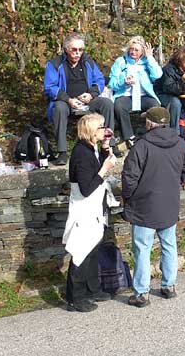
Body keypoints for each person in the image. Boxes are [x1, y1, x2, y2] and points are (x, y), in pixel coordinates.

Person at [122, 107, 185, 307]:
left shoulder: (141, 146)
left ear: (149, 123)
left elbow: (130, 177)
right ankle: (169, 286)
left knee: (143, 249)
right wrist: (176, 182)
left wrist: (128, 197)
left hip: (144, 204)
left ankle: (141, 293)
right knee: (169, 245)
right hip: (169, 202)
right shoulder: (179, 143)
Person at [62, 113, 117, 312]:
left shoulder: (92, 148)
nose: (105, 129)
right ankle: (75, 297)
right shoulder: (81, 154)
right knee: (81, 251)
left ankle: (93, 288)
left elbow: (98, 169)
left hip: (95, 207)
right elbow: (87, 187)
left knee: (93, 249)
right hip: (84, 208)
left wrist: (104, 150)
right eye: (101, 127)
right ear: (91, 131)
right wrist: (104, 169)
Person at [44, 33, 120, 166]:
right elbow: (49, 87)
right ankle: (62, 152)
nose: (77, 53)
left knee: (106, 104)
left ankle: (109, 144)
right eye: (74, 50)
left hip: (87, 99)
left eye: (80, 50)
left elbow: (100, 80)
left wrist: (91, 94)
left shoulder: (88, 62)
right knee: (59, 108)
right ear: (66, 49)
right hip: (66, 101)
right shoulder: (55, 64)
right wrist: (69, 100)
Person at [108, 36, 162, 149]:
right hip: (125, 95)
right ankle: (129, 137)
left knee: (155, 106)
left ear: (142, 51)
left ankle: (154, 135)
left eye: (136, 50)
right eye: (131, 49)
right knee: (119, 106)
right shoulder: (120, 62)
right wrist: (124, 82)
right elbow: (112, 83)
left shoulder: (147, 62)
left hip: (144, 95)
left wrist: (150, 58)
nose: (133, 52)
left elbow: (157, 75)